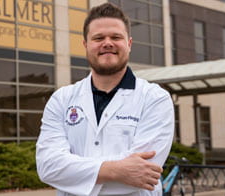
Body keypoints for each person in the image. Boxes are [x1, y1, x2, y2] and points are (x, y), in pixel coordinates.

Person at [36, 2, 174, 196]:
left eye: (116, 37)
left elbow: (144, 174)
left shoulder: (155, 98)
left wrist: (76, 174)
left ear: (129, 44)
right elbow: (48, 166)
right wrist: (117, 170)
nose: (107, 43)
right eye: (98, 38)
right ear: (85, 45)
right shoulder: (62, 99)